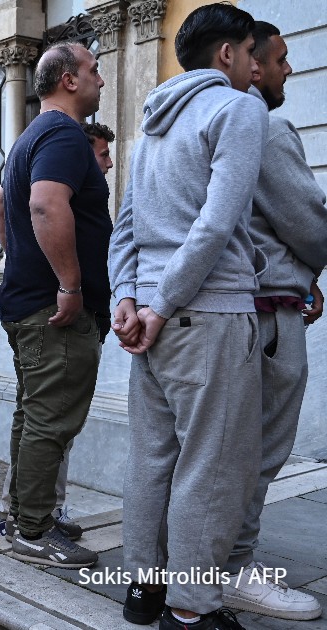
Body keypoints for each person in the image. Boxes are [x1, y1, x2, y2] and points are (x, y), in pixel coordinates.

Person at [109, 5, 267, 629]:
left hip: (152, 317)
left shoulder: (152, 124)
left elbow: (127, 228)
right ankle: (192, 607)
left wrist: (131, 299)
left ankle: (144, 590)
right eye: (253, 52)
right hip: (206, 312)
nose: (257, 67)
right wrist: (160, 302)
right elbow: (215, 224)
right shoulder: (237, 108)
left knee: (152, 457)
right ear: (226, 54)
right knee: (213, 464)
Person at [218, 21, 326, 622]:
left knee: (216, 449)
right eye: (281, 59)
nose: (289, 70)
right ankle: (232, 570)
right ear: (250, 65)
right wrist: (308, 268)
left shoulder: (196, 122)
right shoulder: (266, 125)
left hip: (230, 312)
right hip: (269, 315)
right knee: (257, 449)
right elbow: (309, 223)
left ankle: (192, 563)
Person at [0, 41, 110, 571]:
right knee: (49, 420)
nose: (100, 81)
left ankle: (22, 516)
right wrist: (67, 283)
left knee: (32, 414)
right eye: (93, 71)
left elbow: (2, 206)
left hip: (29, 303)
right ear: (67, 79)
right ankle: (34, 530)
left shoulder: (29, 136)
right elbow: (44, 203)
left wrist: (17, 255)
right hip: (53, 310)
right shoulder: (63, 132)